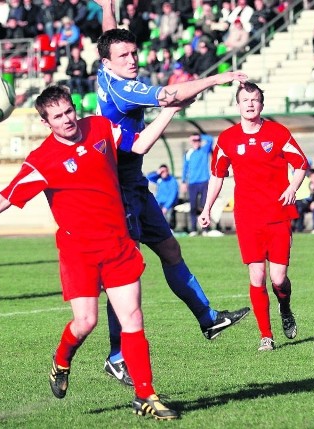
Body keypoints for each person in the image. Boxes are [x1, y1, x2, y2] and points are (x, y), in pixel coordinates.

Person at [0, 85, 187, 420]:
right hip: (78, 253)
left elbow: (139, 143)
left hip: (117, 244)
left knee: (133, 319)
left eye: (69, 111)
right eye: (58, 116)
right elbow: (5, 197)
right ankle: (61, 361)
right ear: (46, 123)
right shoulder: (42, 160)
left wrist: (171, 110)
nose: (67, 119)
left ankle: (146, 395)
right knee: (86, 322)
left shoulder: (98, 127)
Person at [95, 0, 250, 385]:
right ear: (110, 62)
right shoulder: (124, 90)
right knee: (125, 276)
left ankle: (208, 319)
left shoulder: (104, 66)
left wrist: (108, 6)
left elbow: (108, 37)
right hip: (119, 190)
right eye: (125, 56)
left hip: (135, 184)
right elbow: (167, 98)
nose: (132, 59)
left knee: (170, 250)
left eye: (133, 52)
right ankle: (116, 356)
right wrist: (217, 79)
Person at [198, 82, 309, 351]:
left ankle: (285, 306)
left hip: (278, 213)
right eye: (245, 100)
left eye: (255, 99)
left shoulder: (278, 133)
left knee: (278, 279)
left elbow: (301, 164)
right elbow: (217, 176)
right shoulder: (227, 139)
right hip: (248, 217)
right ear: (238, 104)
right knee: (256, 277)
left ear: (262, 104)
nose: (250, 104)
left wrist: (292, 188)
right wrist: (206, 208)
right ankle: (266, 335)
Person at [181, 133, 213, 235]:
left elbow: (211, 139)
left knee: (204, 206)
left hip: (204, 181)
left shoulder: (204, 150)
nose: (196, 142)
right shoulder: (188, 153)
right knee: (193, 207)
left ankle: (205, 229)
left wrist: (200, 136)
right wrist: (183, 182)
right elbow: (185, 169)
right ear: (191, 142)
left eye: (197, 140)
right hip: (192, 183)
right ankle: (193, 229)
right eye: (194, 141)